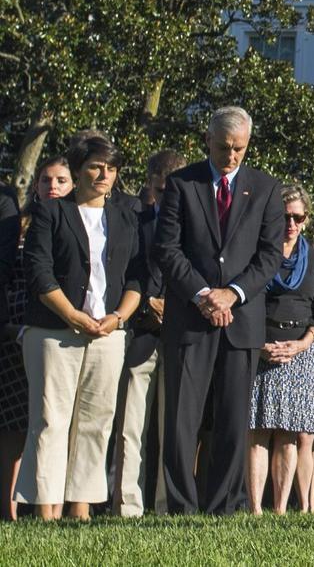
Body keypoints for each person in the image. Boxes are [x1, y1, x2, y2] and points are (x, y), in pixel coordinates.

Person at [155, 106, 286, 516]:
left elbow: (269, 257)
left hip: (241, 321)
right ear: (208, 140)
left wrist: (232, 294)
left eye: (240, 149)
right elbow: (167, 249)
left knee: (232, 421)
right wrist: (202, 294)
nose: (231, 156)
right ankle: (181, 505)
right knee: (182, 421)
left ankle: (224, 505)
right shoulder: (181, 184)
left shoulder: (265, 188)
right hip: (190, 319)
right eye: (225, 147)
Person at [13, 137, 144, 521]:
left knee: (96, 421)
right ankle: (44, 510)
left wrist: (118, 318)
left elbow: (137, 276)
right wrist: (72, 315)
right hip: (54, 332)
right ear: (78, 168)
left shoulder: (125, 216)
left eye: (112, 168)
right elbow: (37, 272)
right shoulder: (51, 212)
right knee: (51, 421)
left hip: (108, 334)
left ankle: (81, 509)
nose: (104, 175)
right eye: (95, 166)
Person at [245, 184, 314, 514]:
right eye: (285, 216)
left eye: (298, 217)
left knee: (290, 434)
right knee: (257, 432)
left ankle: (280, 509)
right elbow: (247, 300)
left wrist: (301, 344)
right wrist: (259, 343)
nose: (291, 223)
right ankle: (255, 508)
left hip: (301, 351)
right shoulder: (258, 255)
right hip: (260, 348)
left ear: (307, 220)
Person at [110, 149, 182, 519]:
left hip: (180, 333)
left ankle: (166, 504)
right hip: (139, 332)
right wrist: (146, 304)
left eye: (168, 191)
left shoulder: (192, 222)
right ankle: (127, 505)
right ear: (149, 184)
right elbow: (124, 271)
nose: (160, 198)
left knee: (172, 428)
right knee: (130, 426)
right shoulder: (133, 220)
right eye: (156, 189)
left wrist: (173, 306)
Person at [0, 161, 64, 520]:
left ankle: (49, 507)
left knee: (44, 421)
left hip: (58, 331)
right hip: (13, 332)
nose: (52, 186)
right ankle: (8, 508)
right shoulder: (18, 222)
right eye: (45, 180)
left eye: (60, 180)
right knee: (12, 422)